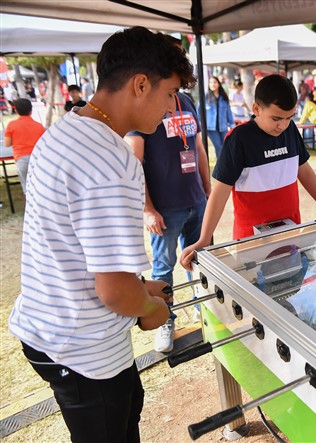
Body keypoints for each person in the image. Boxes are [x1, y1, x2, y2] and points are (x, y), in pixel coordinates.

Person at [8, 26, 195, 442]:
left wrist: (141, 287)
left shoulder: (61, 130)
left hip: (50, 322)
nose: (170, 108)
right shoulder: (113, 163)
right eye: (169, 94)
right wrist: (152, 309)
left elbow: (74, 246)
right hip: (81, 347)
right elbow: (113, 292)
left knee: (128, 406)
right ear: (140, 84)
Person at [180, 75, 316, 269]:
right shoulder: (238, 139)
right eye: (276, 118)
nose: (282, 125)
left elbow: (304, 171)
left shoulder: (290, 131)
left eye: (289, 118)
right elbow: (220, 192)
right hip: (251, 243)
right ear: (256, 109)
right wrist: (204, 238)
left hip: (290, 235)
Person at [126, 87, 210, 353]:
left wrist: (207, 190)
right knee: (163, 268)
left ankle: (205, 309)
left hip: (195, 200)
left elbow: (198, 148)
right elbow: (133, 163)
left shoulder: (185, 99)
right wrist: (147, 209)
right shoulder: (144, 105)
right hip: (164, 208)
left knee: (201, 259)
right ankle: (166, 321)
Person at [3, 98, 45, 193]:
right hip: (38, 158)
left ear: (16, 110)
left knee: (27, 186)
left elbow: (7, 143)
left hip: (22, 158)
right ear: (31, 110)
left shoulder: (12, 125)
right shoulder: (39, 126)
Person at [202, 75, 235, 160]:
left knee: (225, 147)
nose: (212, 84)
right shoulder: (205, 97)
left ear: (219, 84)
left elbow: (228, 112)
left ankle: (225, 166)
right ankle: (220, 169)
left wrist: (232, 124)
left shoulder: (223, 97)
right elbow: (200, 112)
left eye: (214, 82)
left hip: (223, 127)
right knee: (219, 147)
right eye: (211, 82)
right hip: (211, 128)